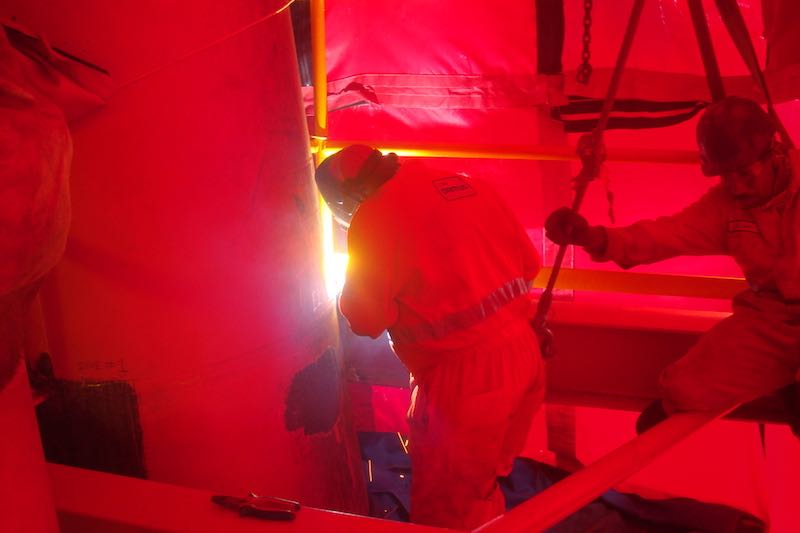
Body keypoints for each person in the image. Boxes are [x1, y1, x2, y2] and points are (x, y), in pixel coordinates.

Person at [315, 145, 545, 530]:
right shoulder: (466, 184)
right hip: (524, 354)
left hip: (464, 382)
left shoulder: (375, 216)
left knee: (445, 508)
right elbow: (530, 264)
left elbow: (365, 318)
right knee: (481, 485)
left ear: (348, 197)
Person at [544, 95, 800, 432]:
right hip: (772, 318)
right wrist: (591, 237)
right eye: (725, 176)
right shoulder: (724, 208)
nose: (736, 186)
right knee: (684, 389)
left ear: (773, 153)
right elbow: (664, 236)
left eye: (744, 173)